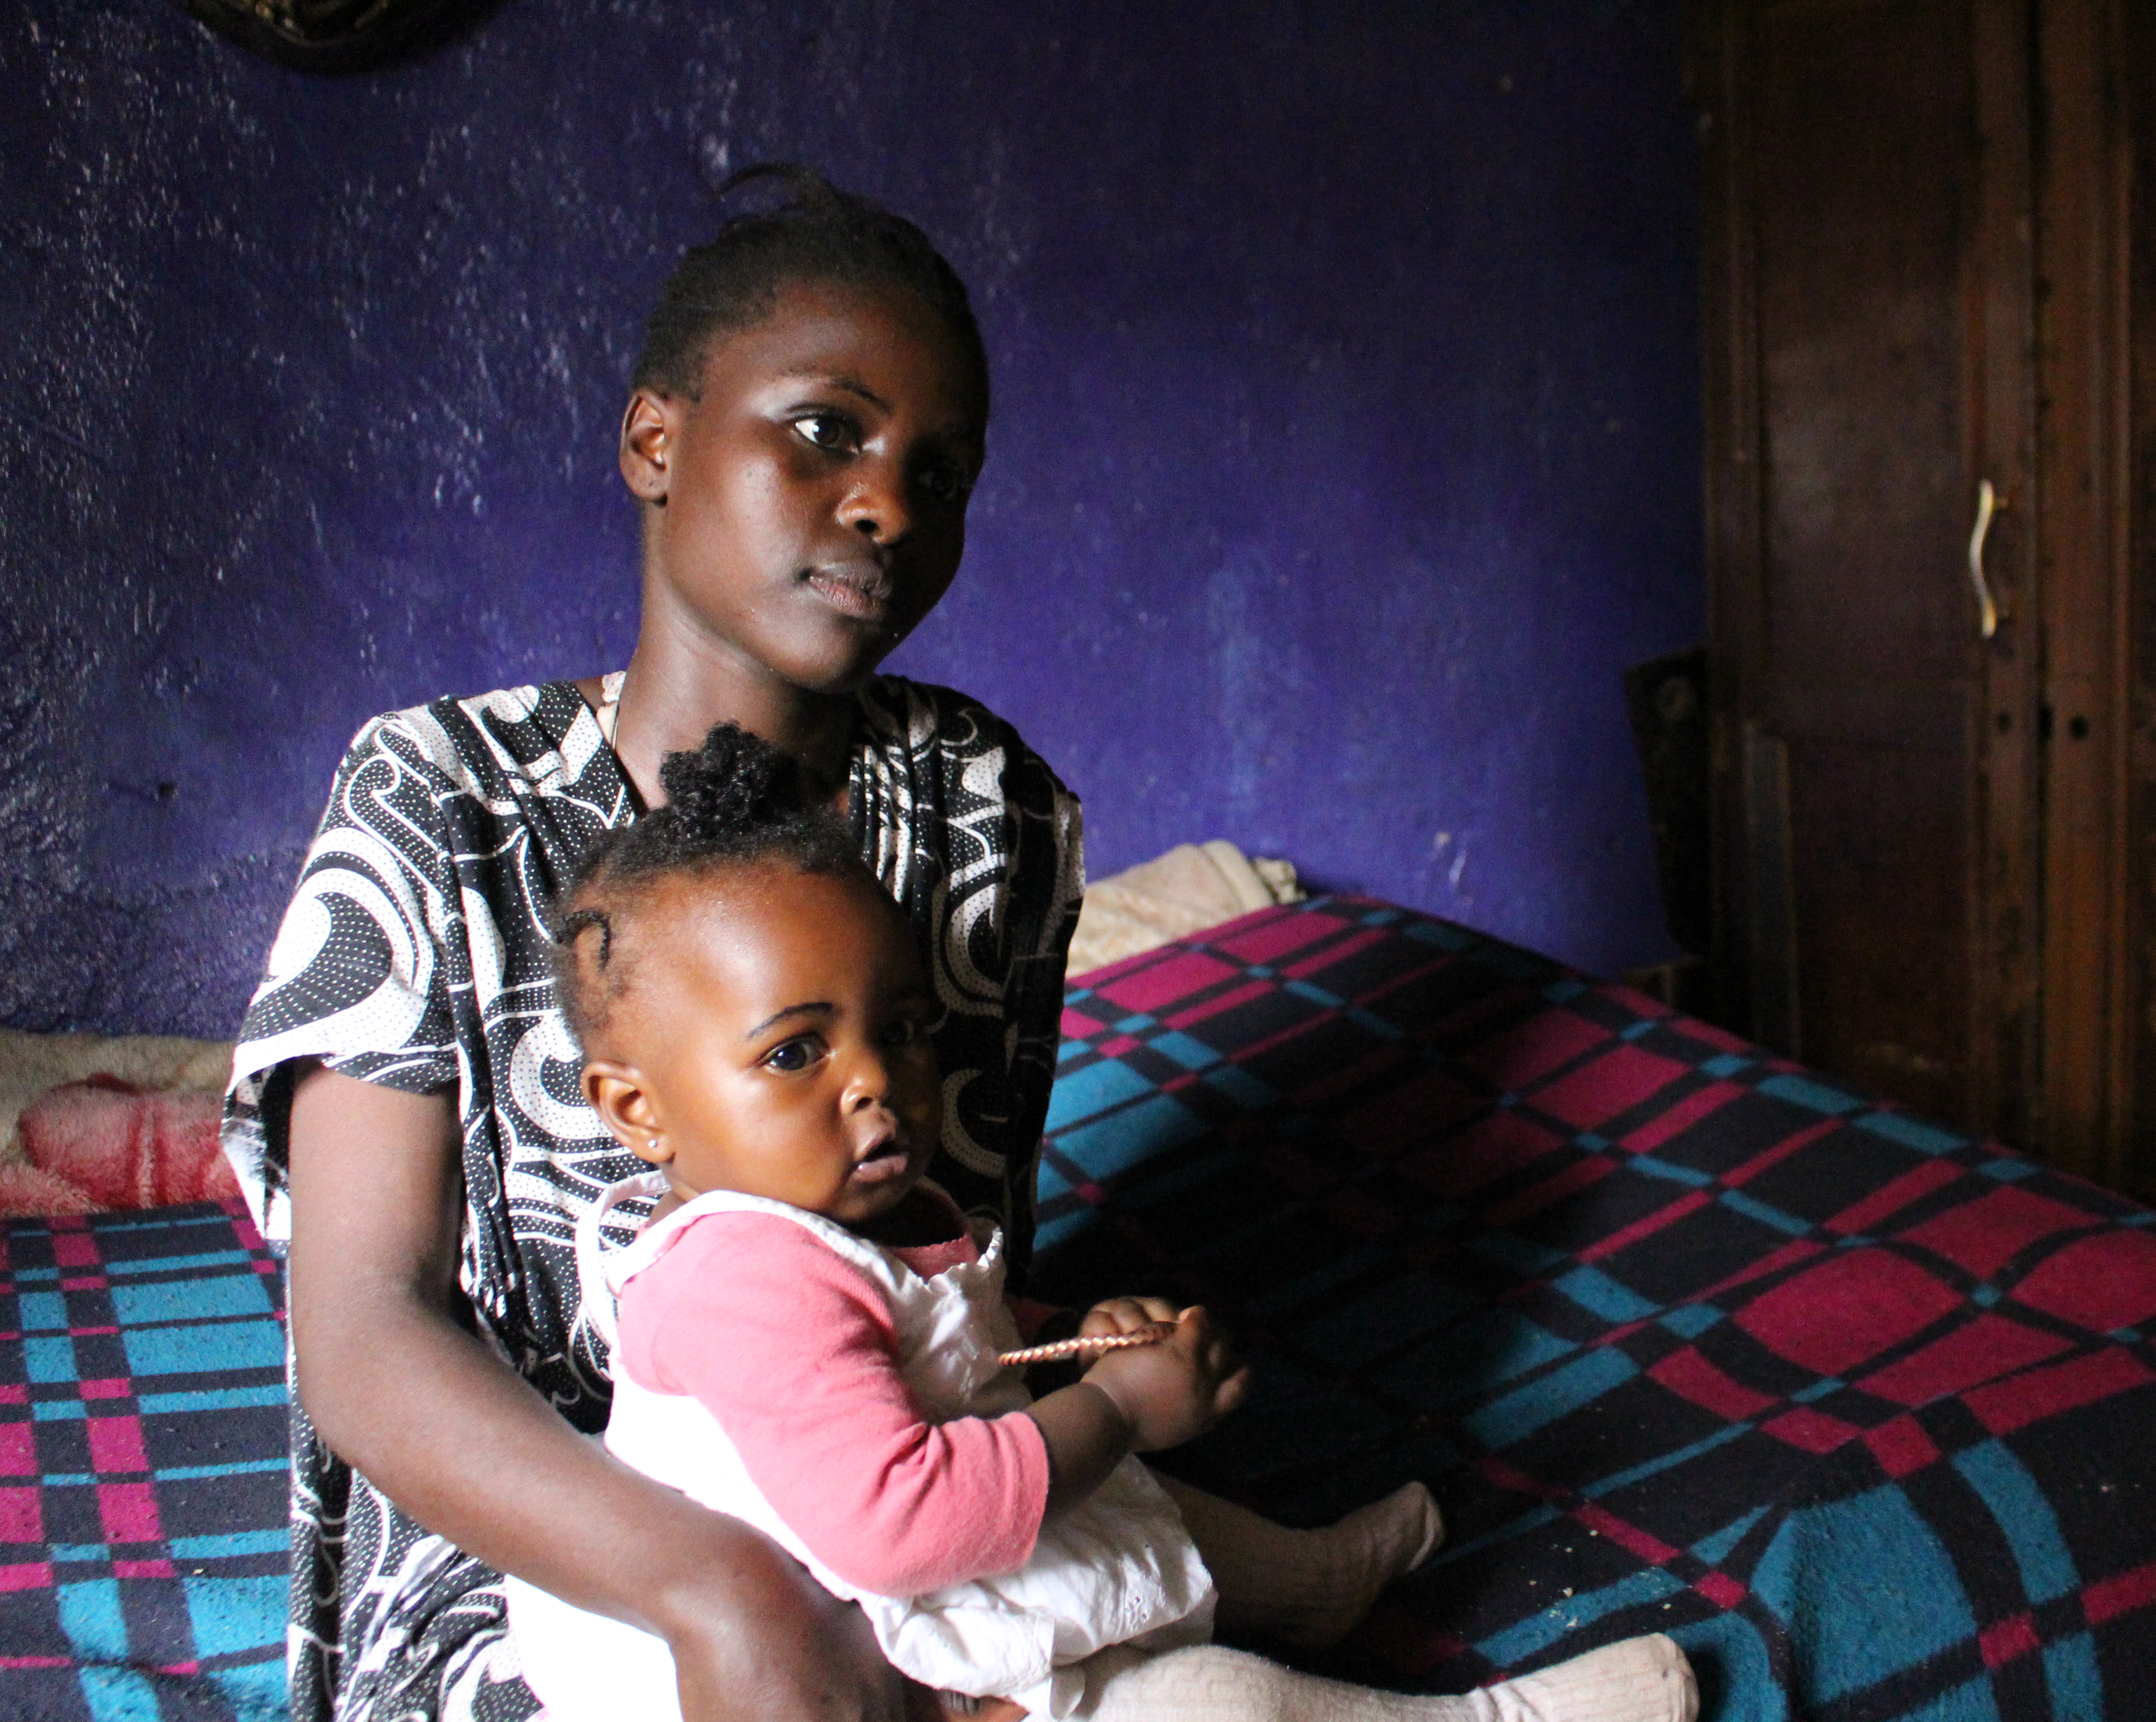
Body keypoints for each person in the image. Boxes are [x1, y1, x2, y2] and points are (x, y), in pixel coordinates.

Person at [222, 169, 1082, 1722]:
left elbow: (944, 1252)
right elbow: (362, 1334)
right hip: (544, 1518)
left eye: (939, 471)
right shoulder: (440, 799)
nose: (890, 503)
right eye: (829, 429)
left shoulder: (989, 808)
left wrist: (1088, 1367)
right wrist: (718, 1585)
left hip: (887, 1466)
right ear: (656, 440)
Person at [500, 722, 1697, 1722]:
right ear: (638, 1110)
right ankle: (1484, 1717)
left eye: (903, 1029)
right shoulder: (742, 1282)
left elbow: (940, 1342)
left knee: (1150, 1516)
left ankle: (1316, 1579)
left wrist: (1072, 1339)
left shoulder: (840, 1198)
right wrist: (1118, 1409)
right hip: (872, 1647)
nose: (874, 1080)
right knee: (1209, 1707)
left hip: (947, 1550)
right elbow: (898, 1523)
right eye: (796, 1050)